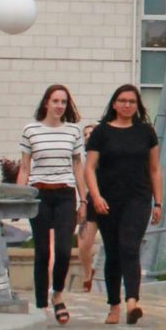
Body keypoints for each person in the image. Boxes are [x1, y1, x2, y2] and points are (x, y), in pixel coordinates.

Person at [83, 84, 162, 326]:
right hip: (107, 200)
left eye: (132, 101)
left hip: (138, 198)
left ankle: (132, 302)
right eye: (122, 101)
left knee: (129, 246)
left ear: (137, 106)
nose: (127, 105)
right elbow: (89, 168)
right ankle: (113, 305)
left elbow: (155, 169)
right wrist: (96, 197)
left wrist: (158, 202)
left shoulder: (146, 132)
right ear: (114, 104)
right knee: (114, 252)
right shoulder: (101, 132)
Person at [17, 84, 85, 326]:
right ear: (46, 103)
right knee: (43, 251)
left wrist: (83, 199)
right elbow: (25, 167)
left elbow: (78, 167)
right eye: (55, 101)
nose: (59, 106)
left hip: (65, 193)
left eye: (63, 102)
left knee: (64, 250)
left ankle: (57, 294)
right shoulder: (31, 130)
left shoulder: (73, 132)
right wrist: (19, 198)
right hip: (39, 193)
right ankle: (41, 304)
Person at [75, 121, 101, 293]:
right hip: (89, 202)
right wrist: (82, 203)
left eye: (91, 133)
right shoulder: (81, 159)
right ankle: (87, 273)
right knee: (84, 244)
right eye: (85, 134)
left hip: (107, 200)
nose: (88, 137)